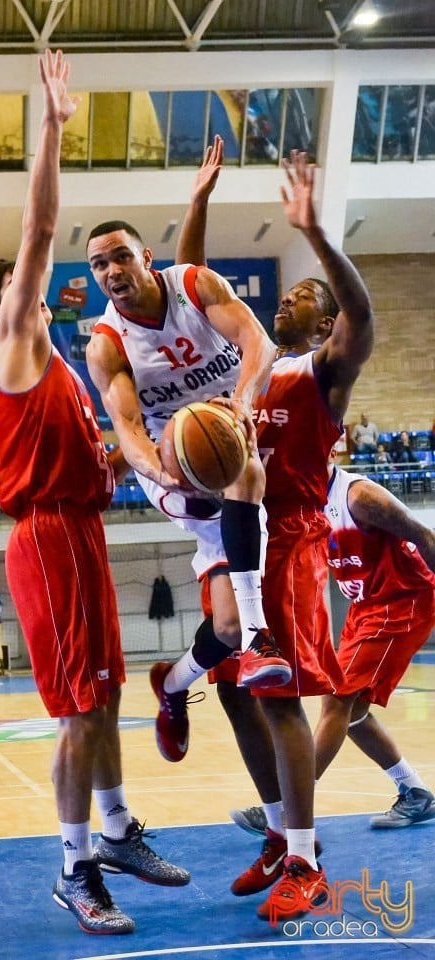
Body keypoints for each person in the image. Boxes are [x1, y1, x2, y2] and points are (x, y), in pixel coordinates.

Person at [0, 49, 189, 937]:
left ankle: (113, 827)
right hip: (45, 538)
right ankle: (73, 869)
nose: (25, 293)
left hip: (82, 531)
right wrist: (53, 133)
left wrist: (118, 460)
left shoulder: (63, 371)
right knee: (76, 709)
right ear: (1, 307)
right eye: (11, 294)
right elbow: (36, 237)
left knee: (103, 696)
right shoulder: (17, 345)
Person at [177, 148, 375, 922]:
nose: (284, 301)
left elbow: (364, 320)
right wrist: (199, 198)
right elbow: (194, 290)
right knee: (233, 694)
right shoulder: (249, 371)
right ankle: (278, 833)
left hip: (289, 537)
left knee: (283, 694)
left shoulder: (324, 370)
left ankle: (305, 857)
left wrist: (317, 236)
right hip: (233, 536)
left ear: (323, 323)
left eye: (299, 295)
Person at [85, 135, 290, 766]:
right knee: (241, 469)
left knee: (221, 628)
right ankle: (262, 642)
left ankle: (172, 687)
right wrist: (164, 474)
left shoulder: (195, 284)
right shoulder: (106, 345)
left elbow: (256, 340)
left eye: (120, 256)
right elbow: (128, 434)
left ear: (146, 258)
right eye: (99, 265)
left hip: (229, 423)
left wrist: (245, 401)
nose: (112, 271)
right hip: (174, 463)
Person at [232, 455, 435, 835]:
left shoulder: (359, 497)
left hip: (403, 599)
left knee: (337, 701)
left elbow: (424, 536)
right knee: (351, 712)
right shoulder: (301, 505)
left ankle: (288, 809)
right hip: (366, 606)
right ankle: (414, 791)